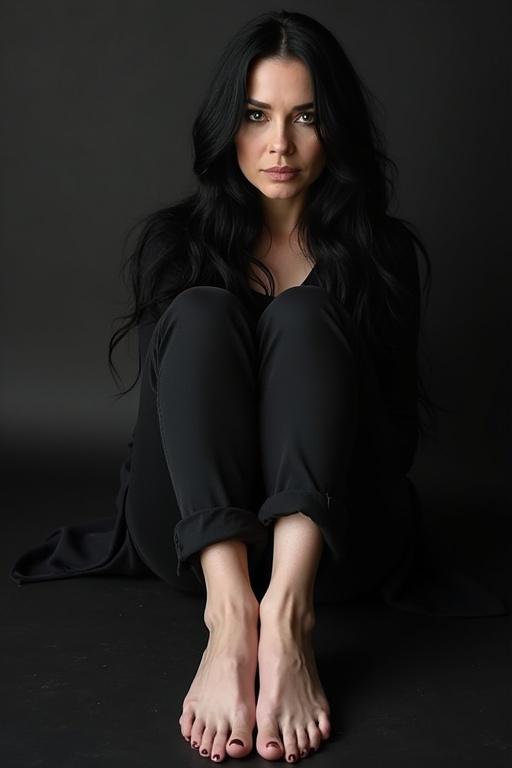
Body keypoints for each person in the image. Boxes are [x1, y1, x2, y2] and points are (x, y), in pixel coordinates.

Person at [10, 9, 509, 765]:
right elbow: (161, 433)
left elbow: (395, 441)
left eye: (306, 115)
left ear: (334, 126)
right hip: (192, 535)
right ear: (228, 124)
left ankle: (289, 618)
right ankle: (233, 615)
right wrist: (230, 589)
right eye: (256, 115)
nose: (280, 144)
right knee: (203, 311)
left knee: (308, 315)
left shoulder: (383, 255)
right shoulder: (177, 243)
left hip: (338, 544)